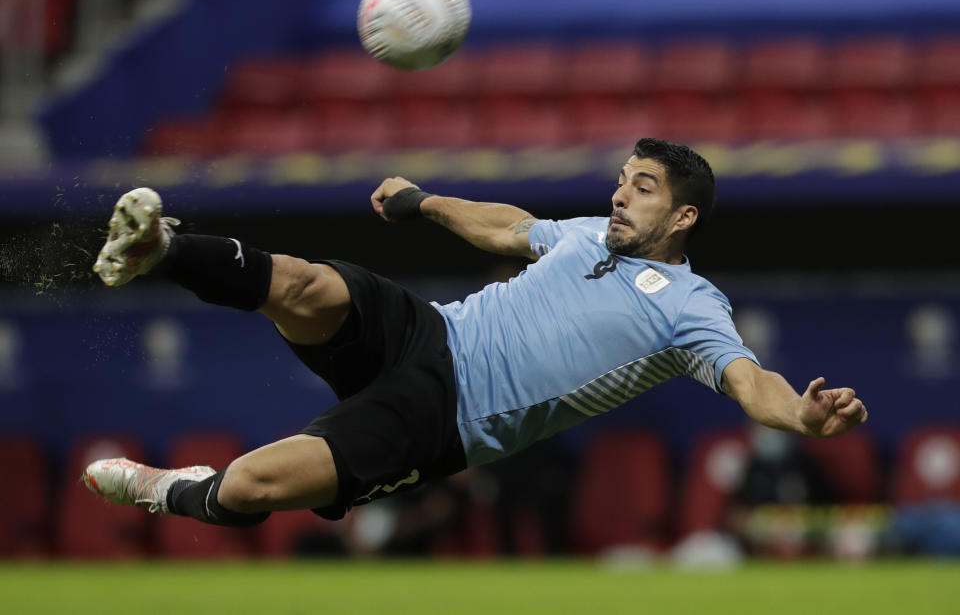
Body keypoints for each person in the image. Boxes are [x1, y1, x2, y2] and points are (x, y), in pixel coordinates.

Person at [83, 138, 868, 529]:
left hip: (447, 417)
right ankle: (159, 248)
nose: (621, 194)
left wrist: (800, 415)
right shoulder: (592, 232)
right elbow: (512, 228)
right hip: (427, 333)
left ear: (684, 216)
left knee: (253, 484)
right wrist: (425, 203)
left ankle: (167, 487)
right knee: (307, 283)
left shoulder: (693, 305)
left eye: (644, 187)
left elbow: (747, 380)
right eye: (624, 178)